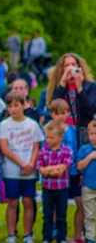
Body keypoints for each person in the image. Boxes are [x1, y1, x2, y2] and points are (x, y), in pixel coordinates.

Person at [0, 91, 44, 243]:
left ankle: (27, 234)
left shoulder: (32, 125)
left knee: (28, 202)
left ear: (24, 105)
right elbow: (5, 148)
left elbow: (36, 147)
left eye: (16, 105)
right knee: (12, 202)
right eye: (10, 106)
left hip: (29, 172)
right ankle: (11, 234)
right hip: (11, 170)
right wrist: (22, 163)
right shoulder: (4, 125)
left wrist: (31, 164)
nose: (13, 109)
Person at [50, 99, 84, 242]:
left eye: (63, 113)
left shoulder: (73, 131)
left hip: (73, 173)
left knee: (81, 203)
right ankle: (57, 234)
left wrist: (80, 172)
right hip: (57, 175)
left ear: (68, 113)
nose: (60, 116)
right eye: (57, 113)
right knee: (57, 207)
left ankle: (78, 235)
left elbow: (79, 150)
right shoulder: (49, 131)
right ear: (52, 114)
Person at [37, 121, 73, 243]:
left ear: (61, 137)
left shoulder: (66, 151)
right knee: (47, 215)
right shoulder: (43, 151)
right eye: (47, 137)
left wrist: (49, 169)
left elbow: (63, 168)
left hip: (62, 188)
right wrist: (51, 169)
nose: (48, 140)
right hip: (47, 188)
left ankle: (61, 238)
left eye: (52, 137)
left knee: (61, 215)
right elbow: (40, 168)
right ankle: (46, 237)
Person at [47, 53, 96, 143]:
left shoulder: (91, 86)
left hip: (84, 131)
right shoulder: (58, 87)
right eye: (67, 65)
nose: (70, 68)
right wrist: (62, 82)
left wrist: (79, 87)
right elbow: (52, 107)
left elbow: (90, 110)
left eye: (73, 64)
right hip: (63, 130)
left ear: (79, 67)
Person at [77, 120, 96, 243]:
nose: (93, 137)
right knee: (90, 215)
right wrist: (90, 157)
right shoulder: (84, 149)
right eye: (91, 134)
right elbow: (79, 166)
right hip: (88, 187)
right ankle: (90, 237)